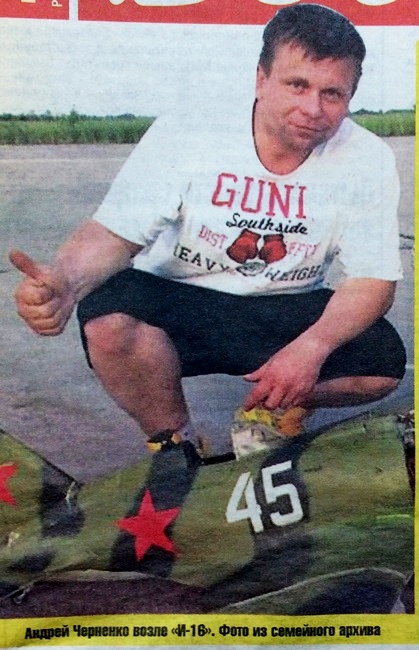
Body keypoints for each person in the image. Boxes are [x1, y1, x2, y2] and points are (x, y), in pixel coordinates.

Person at [10, 3, 406, 454]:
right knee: (109, 313)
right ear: (261, 79)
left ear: (350, 96)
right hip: (182, 300)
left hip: (283, 304)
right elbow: (114, 234)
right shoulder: (190, 130)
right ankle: (172, 442)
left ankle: (271, 413)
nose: (312, 108)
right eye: (297, 85)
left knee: (381, 361)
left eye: (331, 93)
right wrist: (65, 280)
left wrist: (312, 348)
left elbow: (372, 281)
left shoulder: (367, 157)